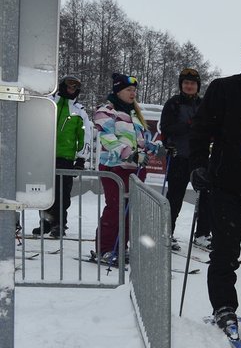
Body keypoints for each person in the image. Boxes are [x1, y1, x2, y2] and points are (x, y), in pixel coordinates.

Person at [189, 36, 241, 338]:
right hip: (226, 183)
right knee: (226, 249)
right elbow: (200, 130)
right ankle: (224, 306)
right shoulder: (223, 89)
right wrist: (198, 164)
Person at [92, 73, 161, 263]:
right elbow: (108, 138)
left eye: (134, 90)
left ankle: (121, 247)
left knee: (130, 209)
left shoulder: (134, 114)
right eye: (129, 90)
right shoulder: (106, 111)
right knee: (115, 208)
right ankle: (105, 248)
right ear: (118, 90)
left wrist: (154, 147)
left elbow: (141, 141)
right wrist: (128, 153)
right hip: (114, 168)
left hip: (135, 169)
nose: (133, 93)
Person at [34, 75, 87, 238]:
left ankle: (59, 224)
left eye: (75, 88)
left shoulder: (79, 110)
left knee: (62, 192)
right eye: (69, 86)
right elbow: (35, 124)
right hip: (44, 154)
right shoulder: (49, 102)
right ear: (62, 86)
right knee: (43, 191)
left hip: (65, 157)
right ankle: (45, 222)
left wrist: (81, 157)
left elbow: (84, 133)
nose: (72, 90)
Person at [159, 68, 203, 250]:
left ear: (197, 86)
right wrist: (188, 125)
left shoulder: (203, 104)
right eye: (186, 83)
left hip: (198, 157)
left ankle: (202, 234)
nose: (189, 86)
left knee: (207, 197)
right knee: (174, 198)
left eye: (192, 83)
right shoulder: (173, 103)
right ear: (181, 85)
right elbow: (166, 128)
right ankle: (167, 233)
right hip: (179, 157)